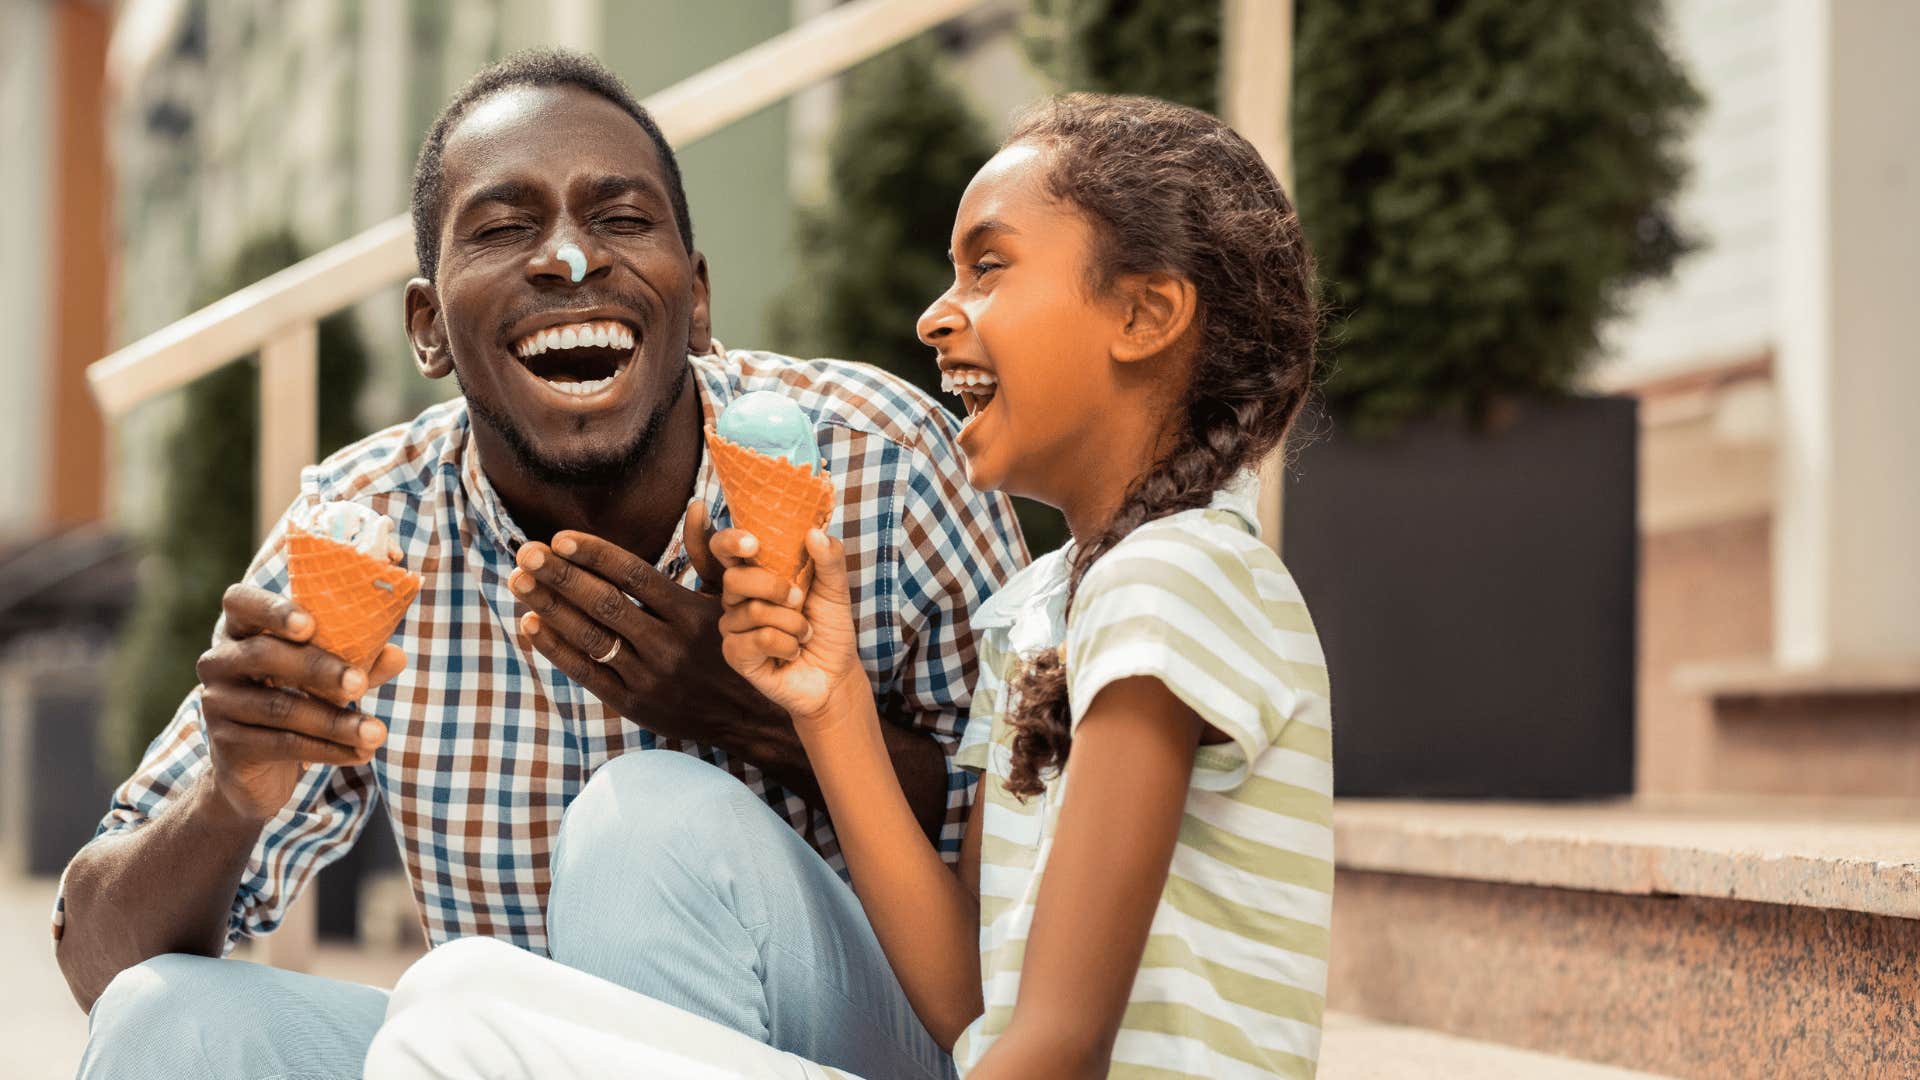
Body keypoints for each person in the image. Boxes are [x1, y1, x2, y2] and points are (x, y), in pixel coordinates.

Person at [58, 49, 1025, 1080]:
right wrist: (229, 797)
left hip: (861, 1047)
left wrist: (756, 717)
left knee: (646, 823)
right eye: (504, 226)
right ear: (427, 329)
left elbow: (1037, 848)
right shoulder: (367, 528)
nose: (568, 257)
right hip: (501, 1051)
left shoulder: (879, 458)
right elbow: (96, 957)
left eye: (620, 218)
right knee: (170, 1018)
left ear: (695, 300)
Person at [368, 92, 1331, 1079]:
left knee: (460, 1035)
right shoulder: (1042, 609)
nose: (935, 315)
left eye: (987, 269)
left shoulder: (1173, 581)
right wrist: (827, 704)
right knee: (455, 988)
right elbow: (971, 996)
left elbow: (1060, 1042)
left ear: (1143, 314)